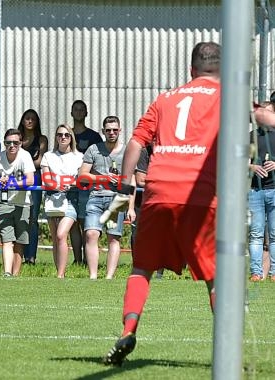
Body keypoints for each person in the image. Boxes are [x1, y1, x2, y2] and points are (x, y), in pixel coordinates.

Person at [101, 42, 221, 366]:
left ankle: (128, 330)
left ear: (192, 70)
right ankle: (226, 344)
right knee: (216, 275)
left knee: (142, 268)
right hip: (199, 191)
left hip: (157, 190)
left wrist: (125, 187)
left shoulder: (166, 98)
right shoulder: (227, 96)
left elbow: (136, 142)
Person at [78, 116, 134, 280]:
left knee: (113, 237)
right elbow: (82, 177)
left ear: (120, 131)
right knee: (91, 235)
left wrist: (130, 207)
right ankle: (93, 276)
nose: (111, 133)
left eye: (115, 130)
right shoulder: (93, 149)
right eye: (108, 130)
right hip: (95, 197)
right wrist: (102, 179)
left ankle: (109, 277)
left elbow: (132, 181)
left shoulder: (127, 151)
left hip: (117, 200)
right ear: (103, 131)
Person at [0, 129, 35, 276]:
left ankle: (15, 274)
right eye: (8, 142)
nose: (12, 145)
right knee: (7, 239)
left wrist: (12, 183)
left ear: (21, 143)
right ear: (4, 143)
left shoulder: (25, 156)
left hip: (23, 203)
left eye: (15, 142)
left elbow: (31, 180)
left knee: (20, 241)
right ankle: (7, 273)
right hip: (4, 202)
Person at [41, 124, 83, 278]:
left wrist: (71, 184)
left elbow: (81, 180)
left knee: (61, 235)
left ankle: (60, 274)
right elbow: (46, 179)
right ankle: (59, 271)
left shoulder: (79, 157)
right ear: (56, 137)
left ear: (71, 137)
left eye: (66, 134)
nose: (63, 137)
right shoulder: (48, 156)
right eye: (60, 135)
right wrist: (56, 186)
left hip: (71, 199)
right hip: (52, 198)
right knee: (55, 238)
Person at [71, 100, 103, 265]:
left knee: (85, 222)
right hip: (68, 183)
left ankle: (86, 259)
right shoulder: (66, 134)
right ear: (71, 112)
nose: (78, 112)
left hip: (87, 186)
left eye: (82, 109)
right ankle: (77, 260)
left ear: (86, 113)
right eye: (75, 109)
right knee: (72, 223)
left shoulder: (94, 137)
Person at [248, 103, 275, 282]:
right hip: (255, 191)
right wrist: (253, 167)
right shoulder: (251, 136)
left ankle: (274, 272)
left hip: (274, 190)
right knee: (256, 233)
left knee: (274, 234)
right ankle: (256, 273)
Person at [18, 109, 48, 265]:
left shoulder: (41, 139)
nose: (29, 121)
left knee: (33, 218)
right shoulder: (17, 138)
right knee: (19, 216)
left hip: (35, 179)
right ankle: (19, 256)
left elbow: (39, 162)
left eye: (33, 119)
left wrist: (23, 162)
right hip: (18, 178)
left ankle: (31, 257)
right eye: (27, 118)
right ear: (22, 121)